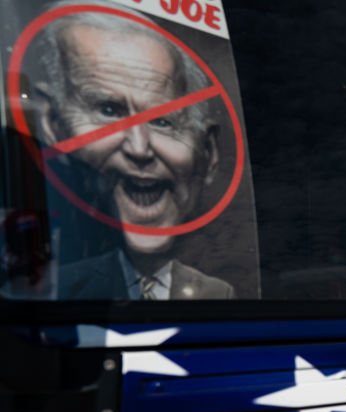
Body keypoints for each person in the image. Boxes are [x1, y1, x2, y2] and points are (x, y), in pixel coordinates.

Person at [34, 2, 233, 299]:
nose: (140, 148)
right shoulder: (50, 291)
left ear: (208, 153)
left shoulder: (219, 294)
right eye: (109, 110)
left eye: (163, 121)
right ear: (53, 124)